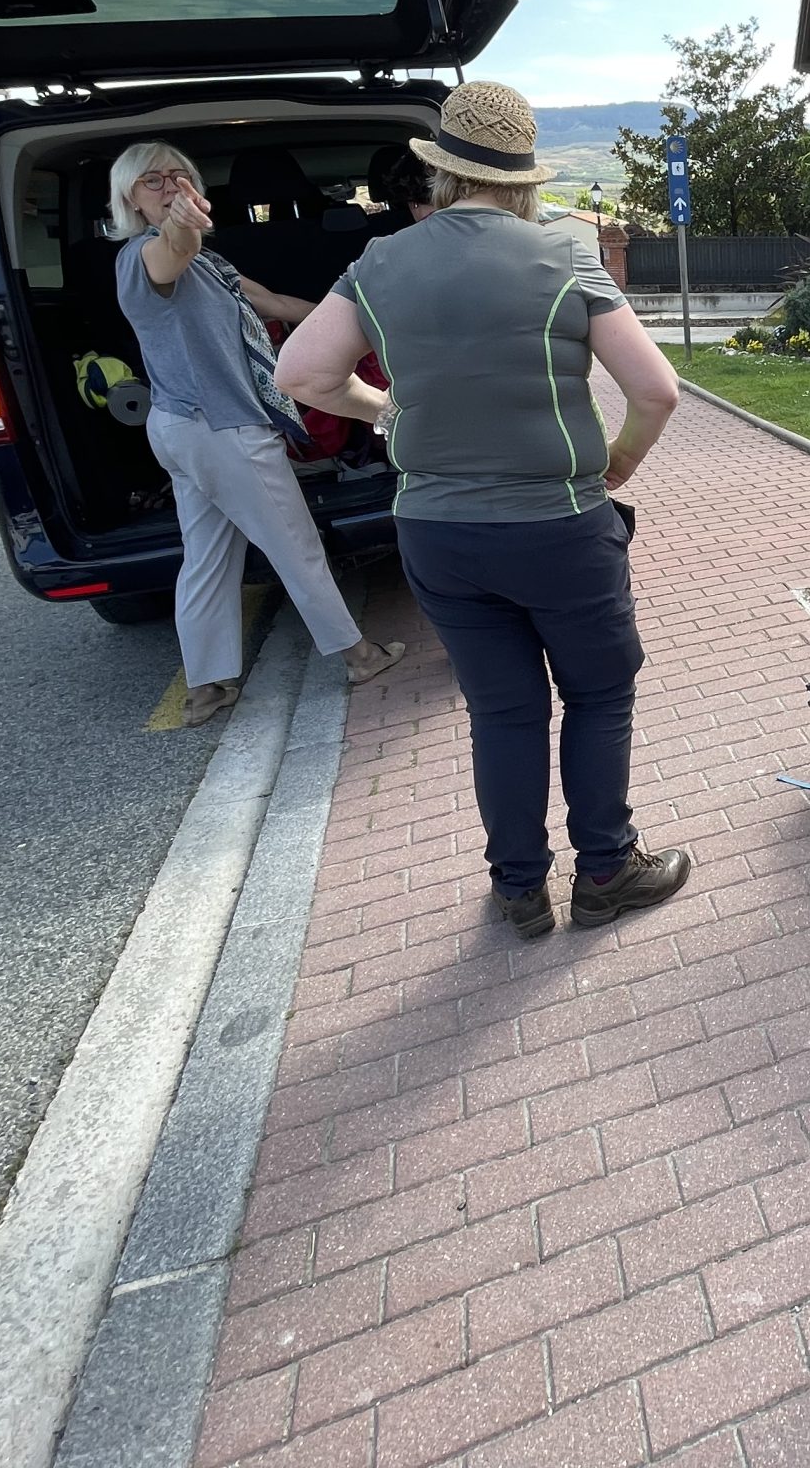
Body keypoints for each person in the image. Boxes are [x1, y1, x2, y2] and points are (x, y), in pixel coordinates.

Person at [276, 82, 689, 940]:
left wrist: (385, 412)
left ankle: (518, 890)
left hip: (439, 532)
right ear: (525, 177)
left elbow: (302, 376)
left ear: (442, 171)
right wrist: (621, 459)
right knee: (599, 695)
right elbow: (655, 389)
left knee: (503, 711)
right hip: (560, 527)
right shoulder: (563, 258)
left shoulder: (381, 263)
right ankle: (606, 870)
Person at [108, 141, 406, 727]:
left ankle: (207, 688)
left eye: (179, 176)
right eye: (152, 183)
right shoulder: (147, 258)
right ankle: (358, 656)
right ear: (130, 202)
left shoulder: (211, 265)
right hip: (223, 428)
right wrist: (184, 224)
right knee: (296, 547)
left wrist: (357, 325)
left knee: (208, 558)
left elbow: (271, 300)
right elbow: (176, 245)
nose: (169, 188)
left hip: (183, 430)